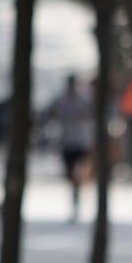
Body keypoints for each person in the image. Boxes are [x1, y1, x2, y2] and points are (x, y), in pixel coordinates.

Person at [46, 74, 94, 220]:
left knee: (77, 173)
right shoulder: (60, 100)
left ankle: (77, 199)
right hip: (66, 143)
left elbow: (91, 115)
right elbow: (49, 113)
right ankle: (74, 197)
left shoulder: (84, 100)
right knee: (69, 174)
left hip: (80, 142)